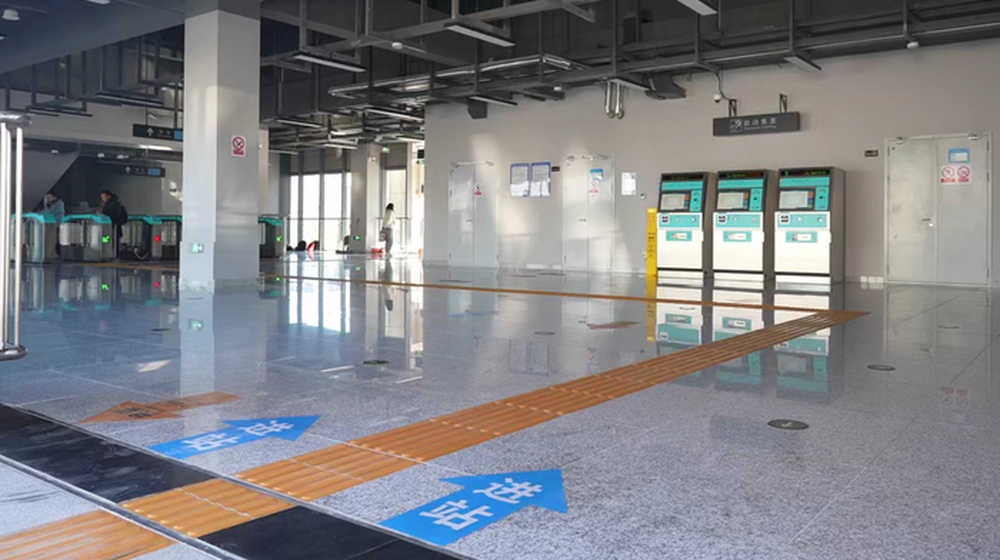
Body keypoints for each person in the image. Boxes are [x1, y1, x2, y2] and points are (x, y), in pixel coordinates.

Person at [99, 190, 128, 257]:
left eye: (104, 197)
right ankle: (115, 255)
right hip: (116, 227)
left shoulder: (111, 205)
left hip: (109, 228)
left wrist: (102, 213)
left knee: (107, 241)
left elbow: (111, 215)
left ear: (108, 196)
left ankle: (107, 254)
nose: (103, 199)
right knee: (115, 241)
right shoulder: (116, 204)